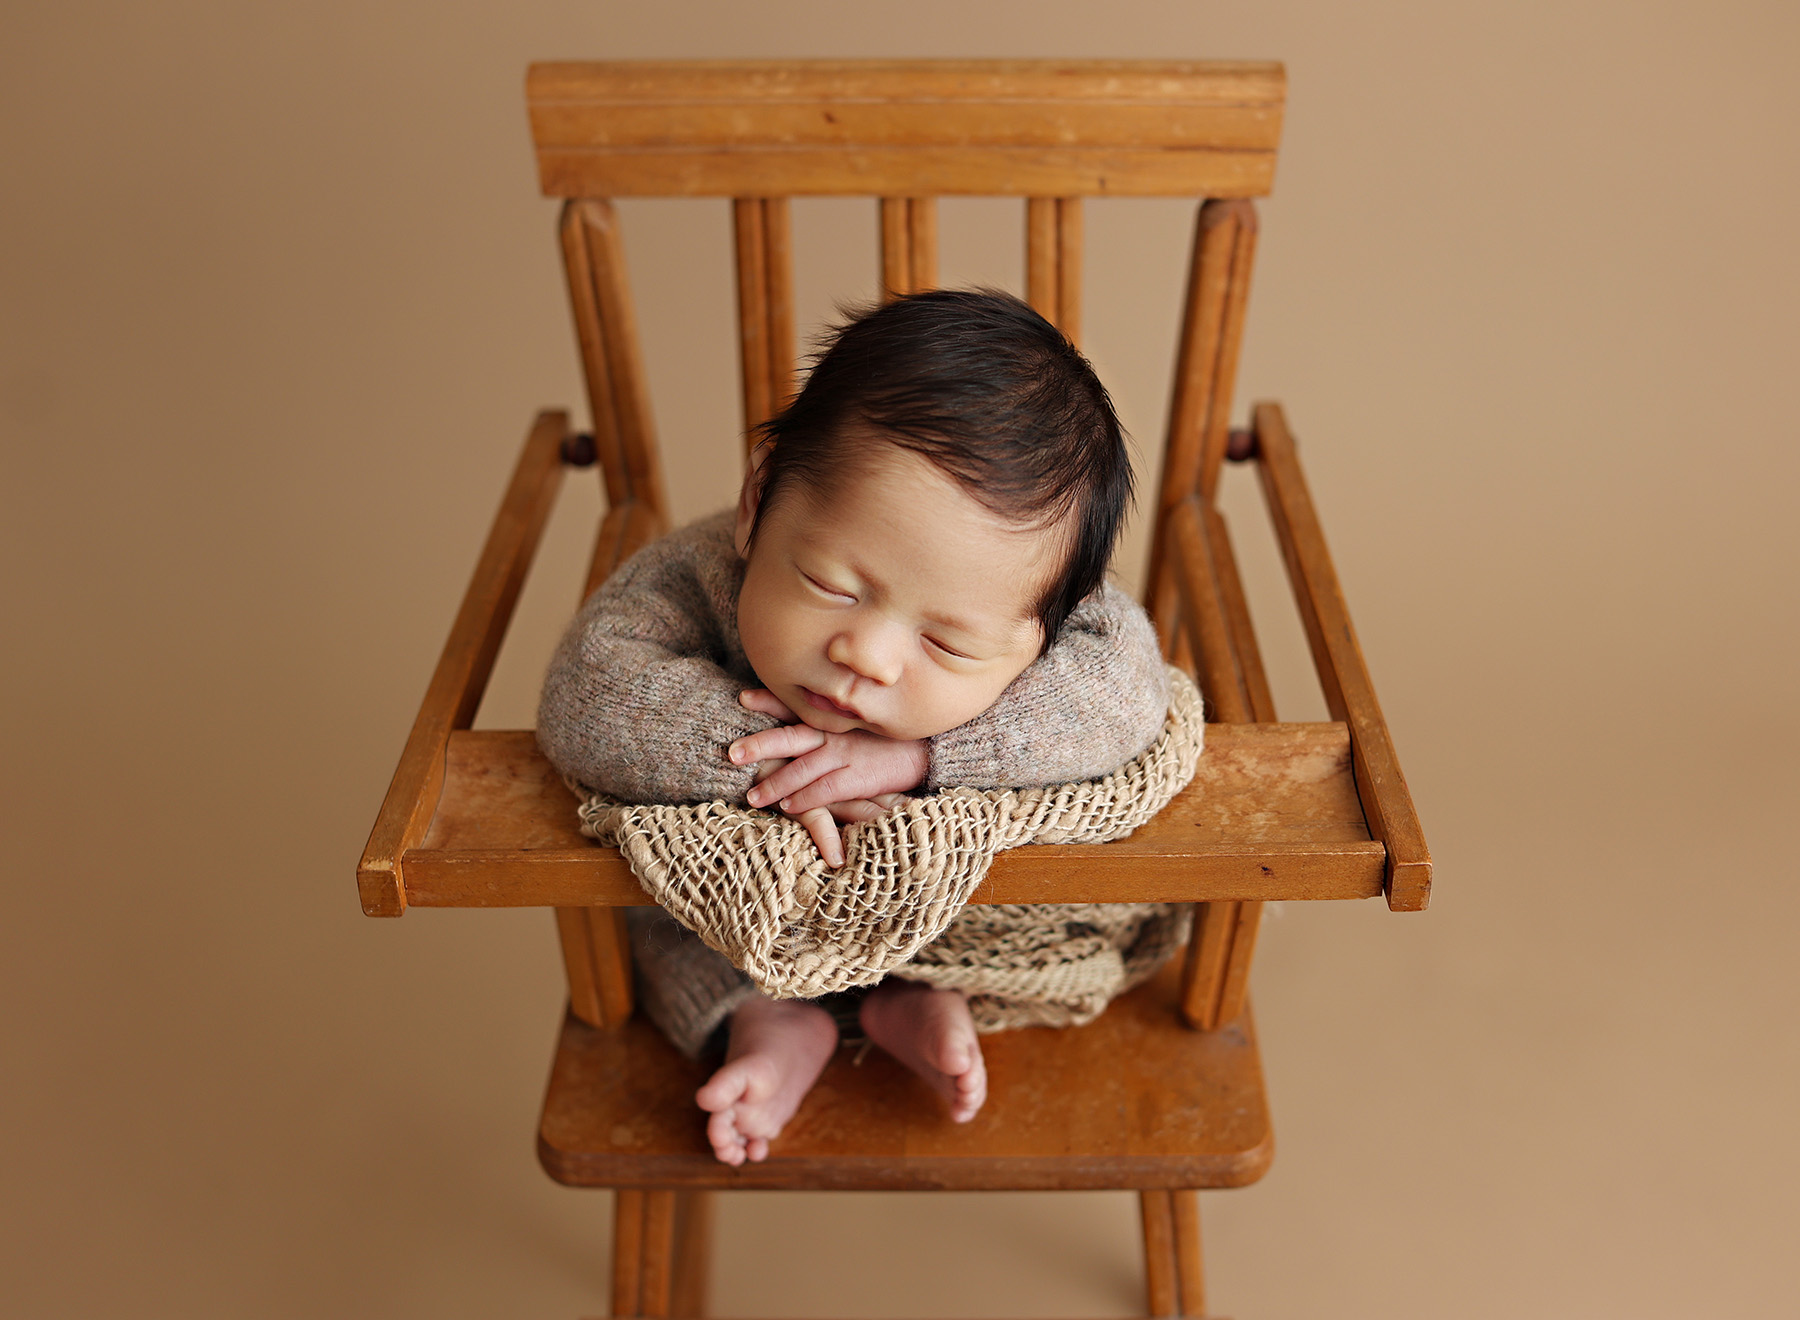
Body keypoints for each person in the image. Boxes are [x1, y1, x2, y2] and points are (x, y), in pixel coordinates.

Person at [538, 290, 1173, 1166]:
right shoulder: (695, 574)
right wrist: (779, 762)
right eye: (835, 585)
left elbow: (1131, 694)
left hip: (941, 915)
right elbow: (587, 691)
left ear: (1038, 630)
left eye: (947, 642)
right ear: (760, 502)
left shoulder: (1044, 611)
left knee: (1002, 873)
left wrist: (929, 755)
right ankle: (767, 1018)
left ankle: (915, 994)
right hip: (732, 927)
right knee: (653, 890)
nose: (867, 656)